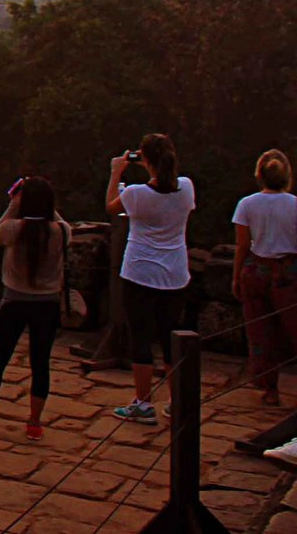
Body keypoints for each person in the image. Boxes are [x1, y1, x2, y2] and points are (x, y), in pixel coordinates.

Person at [0, 176, 70, 439]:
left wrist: (14, 203)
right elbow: (61, 222)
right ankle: (35, 422)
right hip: (47, 303)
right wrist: (46, 205)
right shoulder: (60, 231)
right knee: (40, 362)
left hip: (14, 300)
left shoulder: (14, 229)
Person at [107, 133, 195, 425]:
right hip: (174, 273)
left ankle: (143, 403)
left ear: (144, 160)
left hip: (140, 272)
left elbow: (111, 206)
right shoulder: (186, 187)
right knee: (171, 339)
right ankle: (178, 400)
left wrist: (115, 173)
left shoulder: (136, 193)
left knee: (141, 337)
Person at [232, 149, 297, 406]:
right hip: (288, 271)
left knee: (260, 331)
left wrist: (236, 276)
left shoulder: (247, 204)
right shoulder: (294, 205)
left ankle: (270, 388)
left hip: (257, 269)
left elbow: (242, 246)